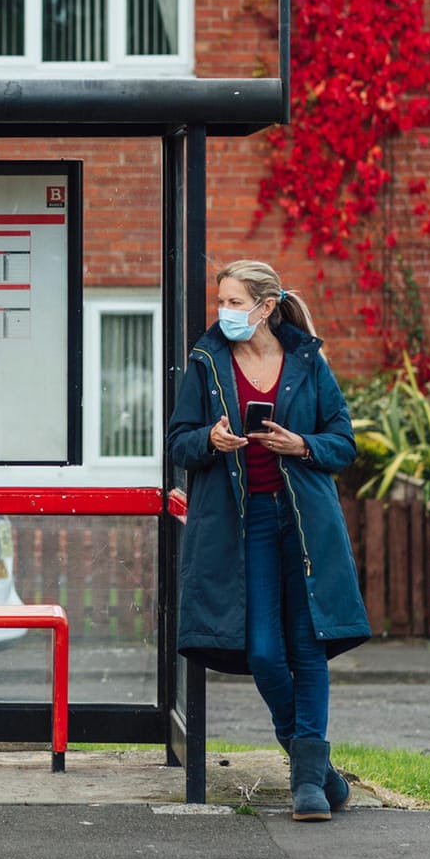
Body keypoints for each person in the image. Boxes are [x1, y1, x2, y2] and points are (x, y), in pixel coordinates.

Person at [164, 260, 372, 822]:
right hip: (241, 523)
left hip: (304, 522)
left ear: (266, 307)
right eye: (221, 302)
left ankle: (306, 783)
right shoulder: (207, 363)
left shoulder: (307, 361)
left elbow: (343, 443)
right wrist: (208, 437)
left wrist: (301, 444)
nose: (223, 313)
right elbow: (178, 442)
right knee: (261, 649)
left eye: (234, 302)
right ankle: (320, 770)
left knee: (308, 647)